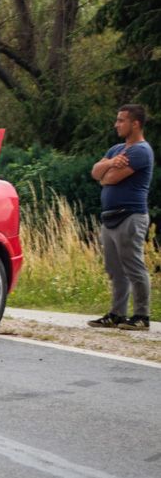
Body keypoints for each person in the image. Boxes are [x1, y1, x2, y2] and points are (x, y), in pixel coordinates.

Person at [88, 104, 152, 331]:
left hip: (130, 216)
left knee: (134, 266)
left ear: (135, 123)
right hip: (110, 218)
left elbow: (109, 179)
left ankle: (142, 316)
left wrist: (107, 171)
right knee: (115, 269)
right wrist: (108, 163)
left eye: (121, 120)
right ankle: (117, 314)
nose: (116, 124)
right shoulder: (116, 150)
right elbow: (96, 172)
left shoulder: (140, 151)